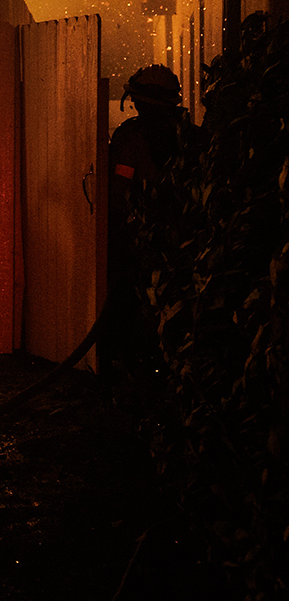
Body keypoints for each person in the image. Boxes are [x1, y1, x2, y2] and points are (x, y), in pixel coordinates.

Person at [103, 65, 189, 377]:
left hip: (138, 238)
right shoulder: (190, 135)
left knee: (129, 303)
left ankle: (128, 365)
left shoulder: (131, 137)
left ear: (140, 101)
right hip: (181, 239)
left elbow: (119, 187)